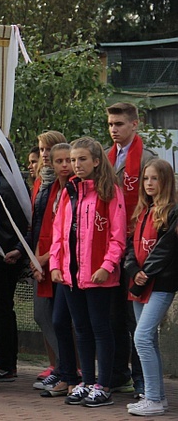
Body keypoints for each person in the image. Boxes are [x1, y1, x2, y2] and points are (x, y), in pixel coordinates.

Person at [50, 137, 126, 408]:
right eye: (73, 160)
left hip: (97, 276)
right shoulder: (69, 191)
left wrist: (107, 266)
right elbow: (59, 234)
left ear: (96, 161)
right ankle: (87, 381)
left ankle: (103, 385)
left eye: (82, 159)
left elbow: (118, 237)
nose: (76, 165)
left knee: (101, 329)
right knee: (80, 329)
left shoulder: (109, 191)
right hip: (71, 275)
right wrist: (55, 265)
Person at [106, 102, 156, 397]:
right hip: (110, 245)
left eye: (120, 124)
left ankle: (141, 380)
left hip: (136, 248)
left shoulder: (147, 160)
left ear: (135, 125)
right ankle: (117, 374)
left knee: (135, 317)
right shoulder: (105, 157)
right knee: (113, 315)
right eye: (111, 124)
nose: (114, 129)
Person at [124, 159, 178, 416]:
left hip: (160, 283)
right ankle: (157, 397)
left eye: (154, 179)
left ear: (165, 181)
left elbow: (166, 249)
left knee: (142, 337)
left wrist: (147, 273)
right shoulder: (142, 211)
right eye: (146, 179)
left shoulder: (173, 212)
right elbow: (130, 249)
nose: (149, 184)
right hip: (140, 282)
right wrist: (135, 272)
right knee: (147, 339)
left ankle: (154, 398)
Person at [32, 143, 78, 397]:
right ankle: (63, 369)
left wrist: (46, 259)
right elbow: (44, 226)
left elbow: (67, 234)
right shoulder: (50, 189)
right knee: (44, 315)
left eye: (66, 161)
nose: (62, 166)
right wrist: (36, 258)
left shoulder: (74, 189)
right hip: (46, 259)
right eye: (57, 161)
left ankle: (71, 371)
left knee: (64, 320)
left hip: (64, 263)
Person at [0, 139, 29, 382]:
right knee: (1, 310)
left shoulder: (2, 185)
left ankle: (5, 361)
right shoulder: (15, 183)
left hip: (2, 255)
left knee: (1, 310)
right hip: (8, 252)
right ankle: (3, 360)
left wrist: (14, 248)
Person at [29, 131, 67, 382]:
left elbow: (60, 225)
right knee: (43, 314)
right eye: (41, 150)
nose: (44, 155)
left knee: (54, 315)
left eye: (47, 150)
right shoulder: (40, 182)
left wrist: (44, 257)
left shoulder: (61, 184)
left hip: (54, 255)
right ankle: (58, 366)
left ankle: (67, 367)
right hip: (38, 253)